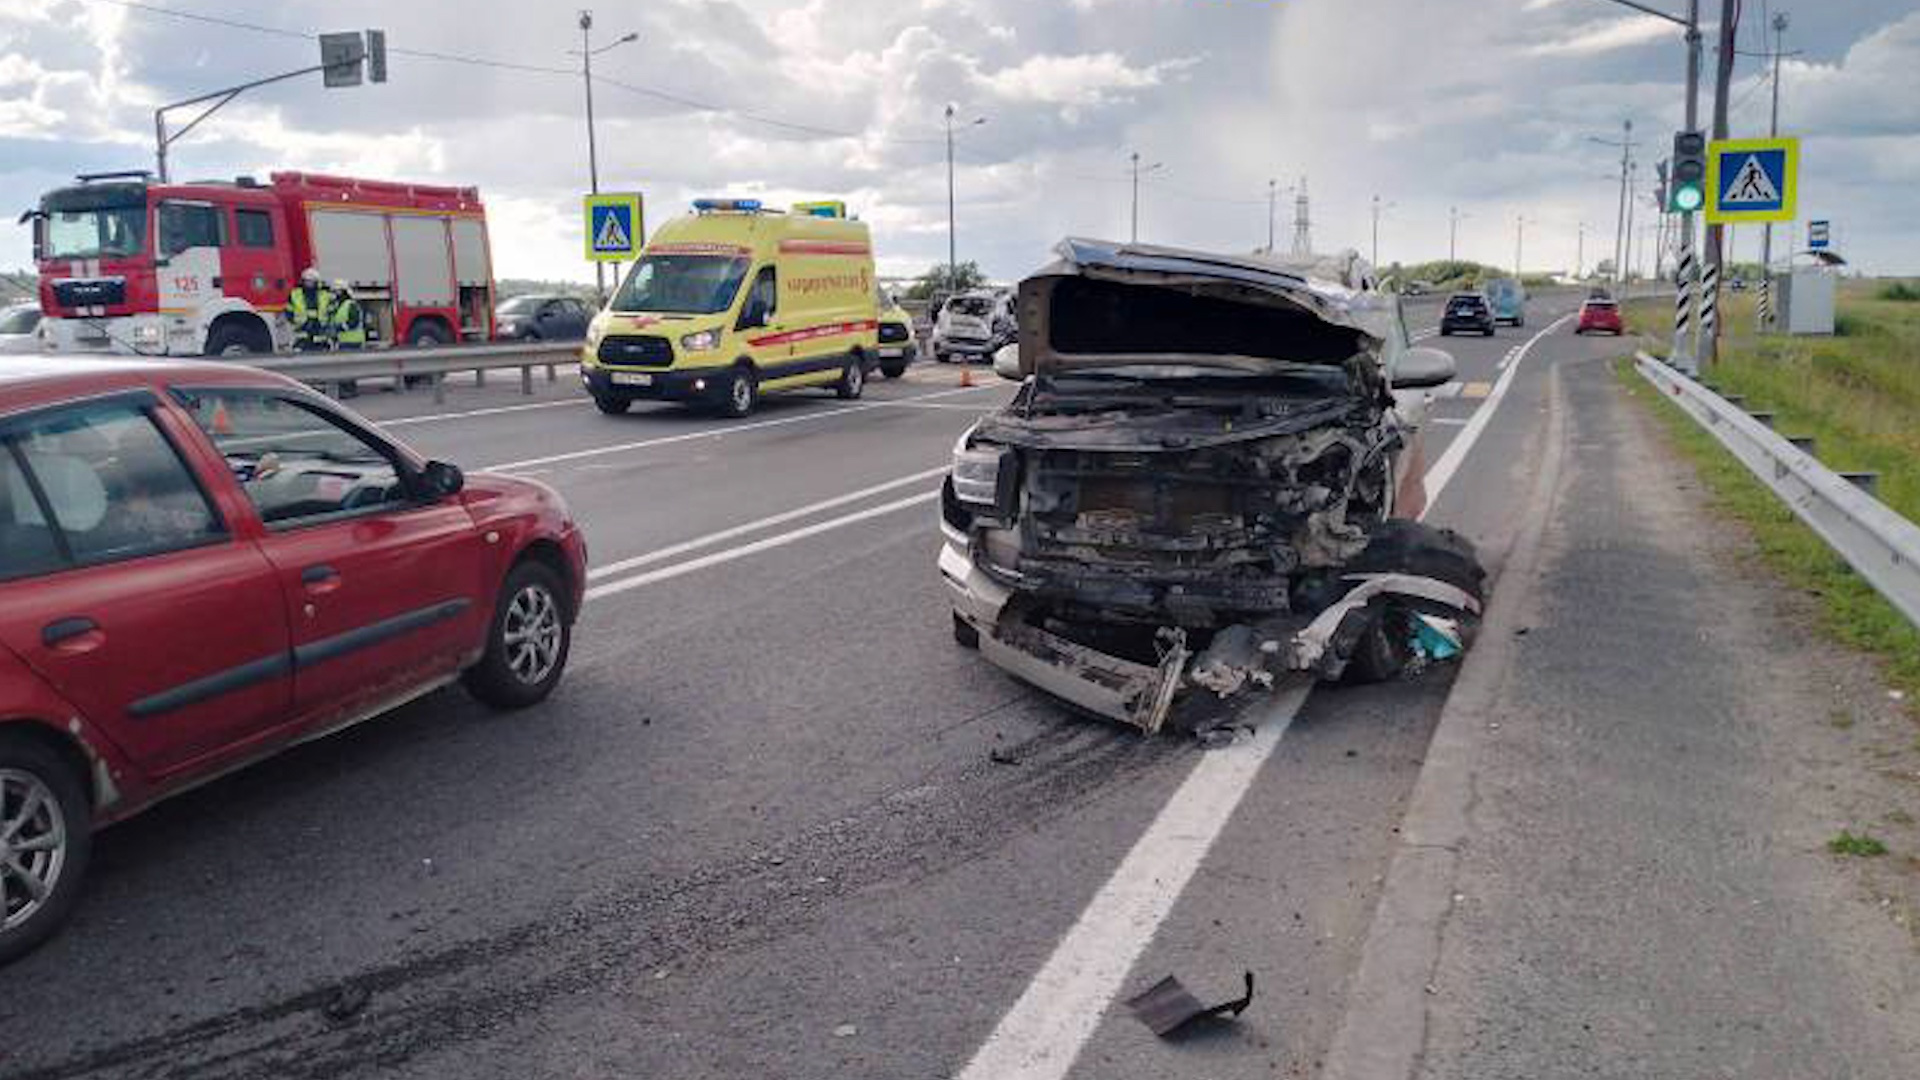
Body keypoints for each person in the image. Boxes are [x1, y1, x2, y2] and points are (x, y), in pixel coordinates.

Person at [289, 268, 334, 352]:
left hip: (320, 333)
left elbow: (331, 311)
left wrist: (326, 325)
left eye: (311, 281)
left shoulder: (324, 295)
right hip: (302, 333)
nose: (309, 284)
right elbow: (289, 311)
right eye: (307, 281)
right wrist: (297, 322)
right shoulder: (295, 294)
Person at [329, 281, 367, 350]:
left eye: (337, 291)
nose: (335, 294)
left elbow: (354, 322)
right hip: (343, 341)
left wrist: (341, 327)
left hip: (354, 342)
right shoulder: (338, 306)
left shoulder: (351, 305)